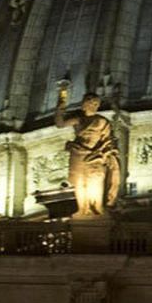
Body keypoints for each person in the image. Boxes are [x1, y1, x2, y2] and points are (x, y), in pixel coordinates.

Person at [55, 88, 120, 216]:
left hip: (95, 156)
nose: (94, 106)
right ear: (84, 104)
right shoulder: (78, 119)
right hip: (78, 155)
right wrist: (60, 107)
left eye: (96, 104)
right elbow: (60, 124)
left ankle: (96, 207)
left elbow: (108, 141)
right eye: (91, 103)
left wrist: (104, 153)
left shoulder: (102, 122)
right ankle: (82, 208)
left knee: (95, 182)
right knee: (79, 183)